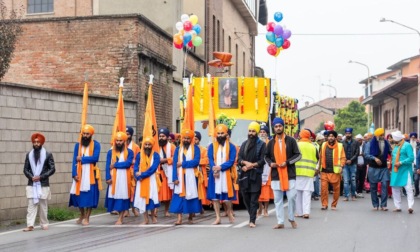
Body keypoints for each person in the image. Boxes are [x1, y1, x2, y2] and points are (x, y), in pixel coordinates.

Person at [265, 117, 301, 229]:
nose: (278, 128)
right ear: (274, 128)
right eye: (276, 126)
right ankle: (280, 221)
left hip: (289, 173)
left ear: (283, 127)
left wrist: (287, 162)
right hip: (276, 175)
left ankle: (291, 218)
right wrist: (271, 164)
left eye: (280, 126)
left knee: (292, 197)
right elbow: (266, 156)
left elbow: (298, 155)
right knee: (278, 200)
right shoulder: (270, 143)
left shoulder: (291, 140)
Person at [69, 125, 101, 226]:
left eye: (88, 134)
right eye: (84, 134)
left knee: (89, 197)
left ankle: (87, 217)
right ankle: (82, 214)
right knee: (77, 196)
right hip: (79, 173)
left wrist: (82, 159)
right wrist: (74, 174)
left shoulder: (96, 145)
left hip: (90, 174)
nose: (86, 136)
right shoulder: (77, 145)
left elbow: (95, 158)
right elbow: (74, 159)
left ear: (91, 135)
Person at [23, 133, 56, 232]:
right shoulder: (29, 155)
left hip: (43, 184)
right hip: (32, 183)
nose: (36, 144)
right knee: (31, 205)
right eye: (34, 142)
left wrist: (41, 177)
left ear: (41, 143)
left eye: (38, 142)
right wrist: (31, 177)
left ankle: (44, 223)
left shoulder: (48, 154)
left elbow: (52, 169)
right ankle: (30, 225)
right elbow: (25, 169)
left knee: (43, 205)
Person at [169, 129, 201, 225]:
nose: (186, 140)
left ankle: (190, 216)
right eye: (184, 138)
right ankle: (179, 219)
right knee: (179, 197)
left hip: (191, 176)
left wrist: (183, 163)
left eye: (188, 138)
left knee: (191, 196)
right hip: (180, 176)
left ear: (191, 139)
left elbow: (196, 162)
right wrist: (174, 178)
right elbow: (175, 164)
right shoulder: (178, 149)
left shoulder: (196, 149)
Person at [237, 122, 266, 228]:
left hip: (255, 175)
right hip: (244, 175)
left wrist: (251, 165)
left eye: (253, 131)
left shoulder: (262, 145)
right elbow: (239, 158)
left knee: (254, 199)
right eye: (250, 131)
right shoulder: (244, 144)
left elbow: (262, 160)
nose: (251, 133)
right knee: (245, 198)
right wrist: (244, 164)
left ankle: (252, 220)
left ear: (257, 132)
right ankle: (252, 214)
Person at [207, 124, 237, 225]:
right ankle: (218, 217)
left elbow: (231, 161)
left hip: (226, 174)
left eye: (222, 133)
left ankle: (229, 212)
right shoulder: (211, 146)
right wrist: (215, 169)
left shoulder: (232, 147)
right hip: (214, 174)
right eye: (218, 133)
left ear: (226, 134)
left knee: (227, 198)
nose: (220, 135)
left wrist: (220, 167)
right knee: (215, 198)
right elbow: (210, 159)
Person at [105, 131, 134, 225]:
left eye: (120, 141)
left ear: (124, 141)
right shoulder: (110, 152)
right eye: (117, 141)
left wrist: (115, 165)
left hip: (124, 178)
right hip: (113, 178)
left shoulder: (129, 152)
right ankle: (118, 215)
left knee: (122, 196)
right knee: (113, 197)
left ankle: (120, 218)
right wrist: (107, 177)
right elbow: (107, 165)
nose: (118, 143)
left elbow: (128, 164)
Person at [133, 136, 160, 224]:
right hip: (141, 181)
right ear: (143, 145)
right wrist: (137, 176)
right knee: (142, 199)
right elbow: (135, 167)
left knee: (151, 198)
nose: (147, 146)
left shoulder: (156, 155)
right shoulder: (139, 155)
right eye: (146, 144)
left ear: (152, 146)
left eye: (149, 144)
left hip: (151, 180)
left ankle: (152, 217)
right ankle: (146, 219)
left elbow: (153, 168)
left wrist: (142, 174)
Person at [364, 128, 391, 211]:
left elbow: (390, 151)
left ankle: (383, 205)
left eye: (383, 135)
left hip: (383, 168)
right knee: (373, 187)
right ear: (376, 136)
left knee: (384, 186)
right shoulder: (369, 144)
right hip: (373, 168)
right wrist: (374, 158)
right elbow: (366, 154)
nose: (382, 137)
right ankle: (375, 205)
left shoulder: (386, 142)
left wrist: (391, 159)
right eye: (381, 135)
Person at [295, 129, 319, 219]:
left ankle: (299, 212)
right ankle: (306, 212)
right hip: (309, 172)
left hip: (297, 172)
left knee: (298, 193)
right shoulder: (313, 146)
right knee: (307, 193)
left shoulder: (297, 145)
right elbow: (318, 159)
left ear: (301, 136)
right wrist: (316, 170)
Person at [319, 130, 345, 210]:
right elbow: (320, 157)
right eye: (329, 136)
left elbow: (343, 158)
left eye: (332, 136)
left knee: (336, 190)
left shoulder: (340, 146)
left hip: (335, 172)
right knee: (324, 189)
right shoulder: (323, 144)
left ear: (335, 137)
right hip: (324, 171)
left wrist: (341, 166)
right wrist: (318, 168)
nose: (330, 138)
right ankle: (324, 204)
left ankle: (334, 205)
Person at [390, 131, 415, 213]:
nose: (392, 139)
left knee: (408, 188)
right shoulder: (395, 146)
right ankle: (397, 206)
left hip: (405, 170)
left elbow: (411, 158)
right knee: (395, 188)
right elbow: (394, 157)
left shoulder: (407, 145)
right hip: (396, 170)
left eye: (393, 138)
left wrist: (401, 162)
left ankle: (410, 206)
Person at [157, 128, 176, 217]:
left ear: (167, 137)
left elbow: (175, 158)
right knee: (156, 192)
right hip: (157, 172)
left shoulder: (172, 147)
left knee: (167, 193)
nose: (161, 138)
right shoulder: (155, 146)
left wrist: (165, 160)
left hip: (167, 172)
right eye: (160, 136)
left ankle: (166, 210)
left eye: (163, 136)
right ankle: (154, 211)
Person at [258, 124, 273, 216]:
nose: (262, 134)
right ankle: (260, 207)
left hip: (268, 169)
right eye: (261, 132)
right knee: (257, 190)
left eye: (264, 132)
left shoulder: (270, 143)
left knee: (266, 191)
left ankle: (266, 209)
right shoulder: (257, 143)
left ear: (267, 134)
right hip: (258, 168)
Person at [126, 126, 141, 217]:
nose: (126, 136)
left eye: (128, 134)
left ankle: (134, 209)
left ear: (131, 135)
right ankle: (126, 210)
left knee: (133, 191)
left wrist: (131, 162)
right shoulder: (120, 145)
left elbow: (139, 160)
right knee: (125, 191)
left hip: (132, 171)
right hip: (123, 172)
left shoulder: (135, 147)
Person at [342, 128, 359, 201]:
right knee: (346, 181)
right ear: (345, 134)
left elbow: (357, 153)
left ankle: (353, 195)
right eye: (346, 133)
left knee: (353, 180)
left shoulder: (356, 142)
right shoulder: (342, 142)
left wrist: (351, 160)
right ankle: (346, 196)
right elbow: (341, 153)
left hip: (353, 163)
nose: (348, 134)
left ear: (351, 134)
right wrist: (345, 160)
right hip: (345, 164)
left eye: (349, 133)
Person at [194, 131, 211, 208]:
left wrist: (196, 162)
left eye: (196, 139)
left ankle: (201, 207)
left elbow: (206, 160)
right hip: (191, 173)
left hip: (201, 173)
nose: (194, 141)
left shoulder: (203, 150)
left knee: (201, 191)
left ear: (199, 140)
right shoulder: (188, 149)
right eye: (193, 139)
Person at [312, 134, 324, 200]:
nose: (323, 141)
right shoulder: (317, 146)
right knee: (316, 180)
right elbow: (318, 157)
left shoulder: (315, 144)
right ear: (320, 140)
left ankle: (313, 194)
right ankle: (316, 194)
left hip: (313, 164)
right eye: (322, 140)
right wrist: (318, 167)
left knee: (314, 180)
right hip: (315, 165)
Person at [355, 134, 367, 198]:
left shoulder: (365, 146)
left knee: (362, 179)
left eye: (359, 140)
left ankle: (360, 191)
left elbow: (368, 153)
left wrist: (363, 154)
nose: (358, 142)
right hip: (356, 164)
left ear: (362, 140)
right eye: (357, 140)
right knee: (356, 178)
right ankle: (355, 191)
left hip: (363, 165)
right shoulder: (354, 146)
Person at [409, 132, 419, 197]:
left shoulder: (418, 145)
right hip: (409, 164)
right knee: (409, 179)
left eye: (414, 137)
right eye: (412, 137)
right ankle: (409, 191)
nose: (413, 139)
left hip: (416, 164)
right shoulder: (407, 145)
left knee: (416, 179)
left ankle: (417, 191)